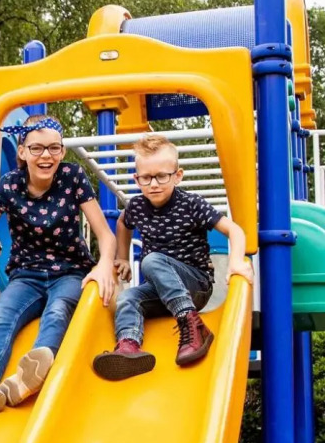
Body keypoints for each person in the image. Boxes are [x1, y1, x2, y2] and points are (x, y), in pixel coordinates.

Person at [0, 114, 117, 413]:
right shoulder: (9, 186)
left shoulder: (72, 177)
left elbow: (105, 235)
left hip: (70, 272)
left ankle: (29, 377)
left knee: (58, 311)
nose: (46, 156)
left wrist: (105, 264)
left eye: (54, 148)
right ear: (22, 151)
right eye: (37, 148)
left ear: (62, 151)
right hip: (26, 275)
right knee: (1, 315)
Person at [92, 133, 253, 381]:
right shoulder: (137, 207)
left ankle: (191, 323)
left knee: (151, 260)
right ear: (137, 179)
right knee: (128, 297)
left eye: (162, 176)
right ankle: (129, 346)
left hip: (195, 286)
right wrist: (122, 257)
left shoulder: (191, 204)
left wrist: (236, 262)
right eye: (146, 177)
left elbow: (234, 230)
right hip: (160, 291)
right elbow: (123, 222)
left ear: (177, 176)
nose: (154, 184)